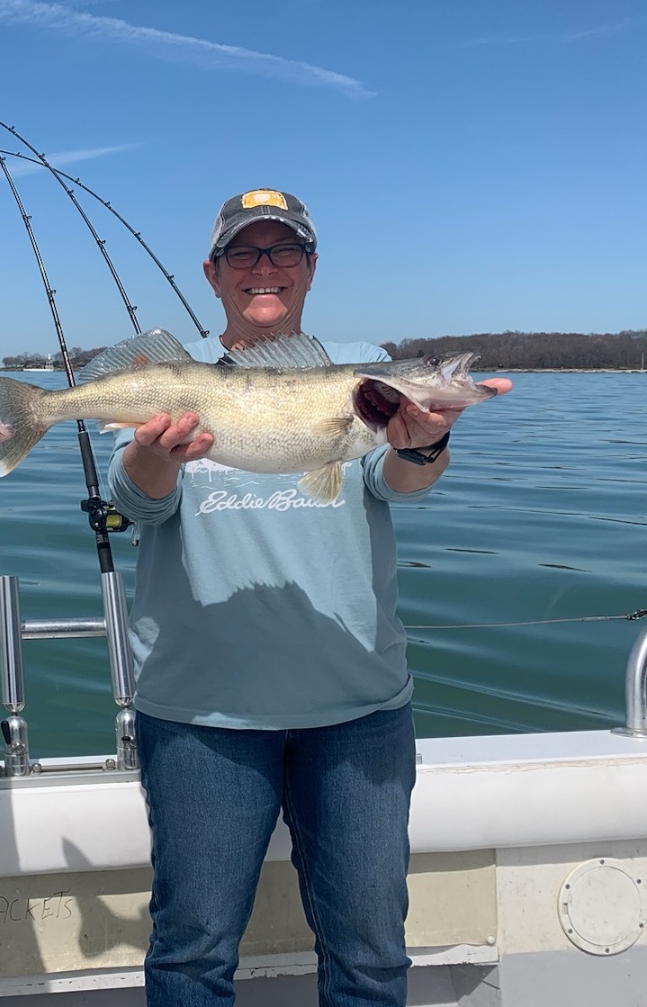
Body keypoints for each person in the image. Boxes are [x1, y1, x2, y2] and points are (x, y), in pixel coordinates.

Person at [106, 188, 512, 1007]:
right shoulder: (167, 375)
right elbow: (139, 505)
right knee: (191, 957)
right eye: (246, 254)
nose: (266, 269)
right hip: (201, 715)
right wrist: (159, 456)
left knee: (369, 959)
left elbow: (396, 483)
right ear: (213, 273)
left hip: (357, 708)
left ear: (311, 269)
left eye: (284, 251)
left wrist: (426, 442)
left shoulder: (364, 368)